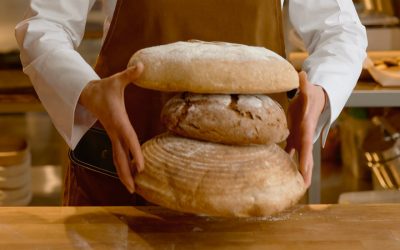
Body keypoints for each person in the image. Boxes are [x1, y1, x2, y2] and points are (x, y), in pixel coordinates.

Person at [15, 0, 367, 205]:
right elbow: (45, 26)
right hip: (122, 179)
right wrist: (88, 91)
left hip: (253, 184)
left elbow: (339, 30)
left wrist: (320, 92)